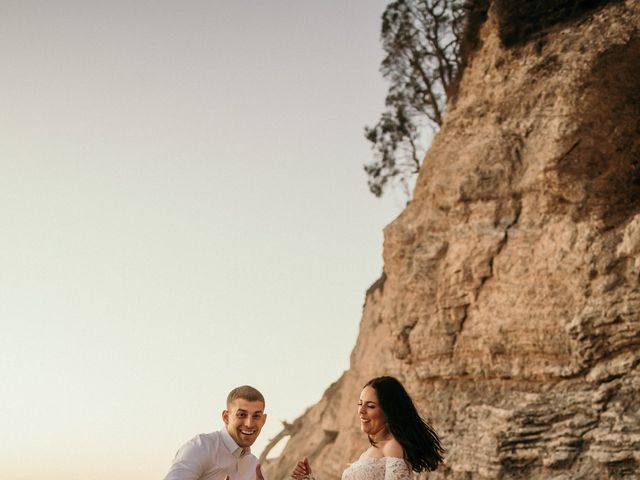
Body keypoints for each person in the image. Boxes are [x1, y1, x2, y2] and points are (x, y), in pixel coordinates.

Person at [290, 376, 444, 480]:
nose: (361, 410)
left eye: (370, 406)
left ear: (388, 411)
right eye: (360, 404)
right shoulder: (368, 452)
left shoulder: (393, 447)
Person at [164, 385, 268, 480]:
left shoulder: (256, 468)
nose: (249, 424)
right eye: (241, 415)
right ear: (226, 417)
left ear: (263, 420)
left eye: (256, 416)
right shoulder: (201, 448)